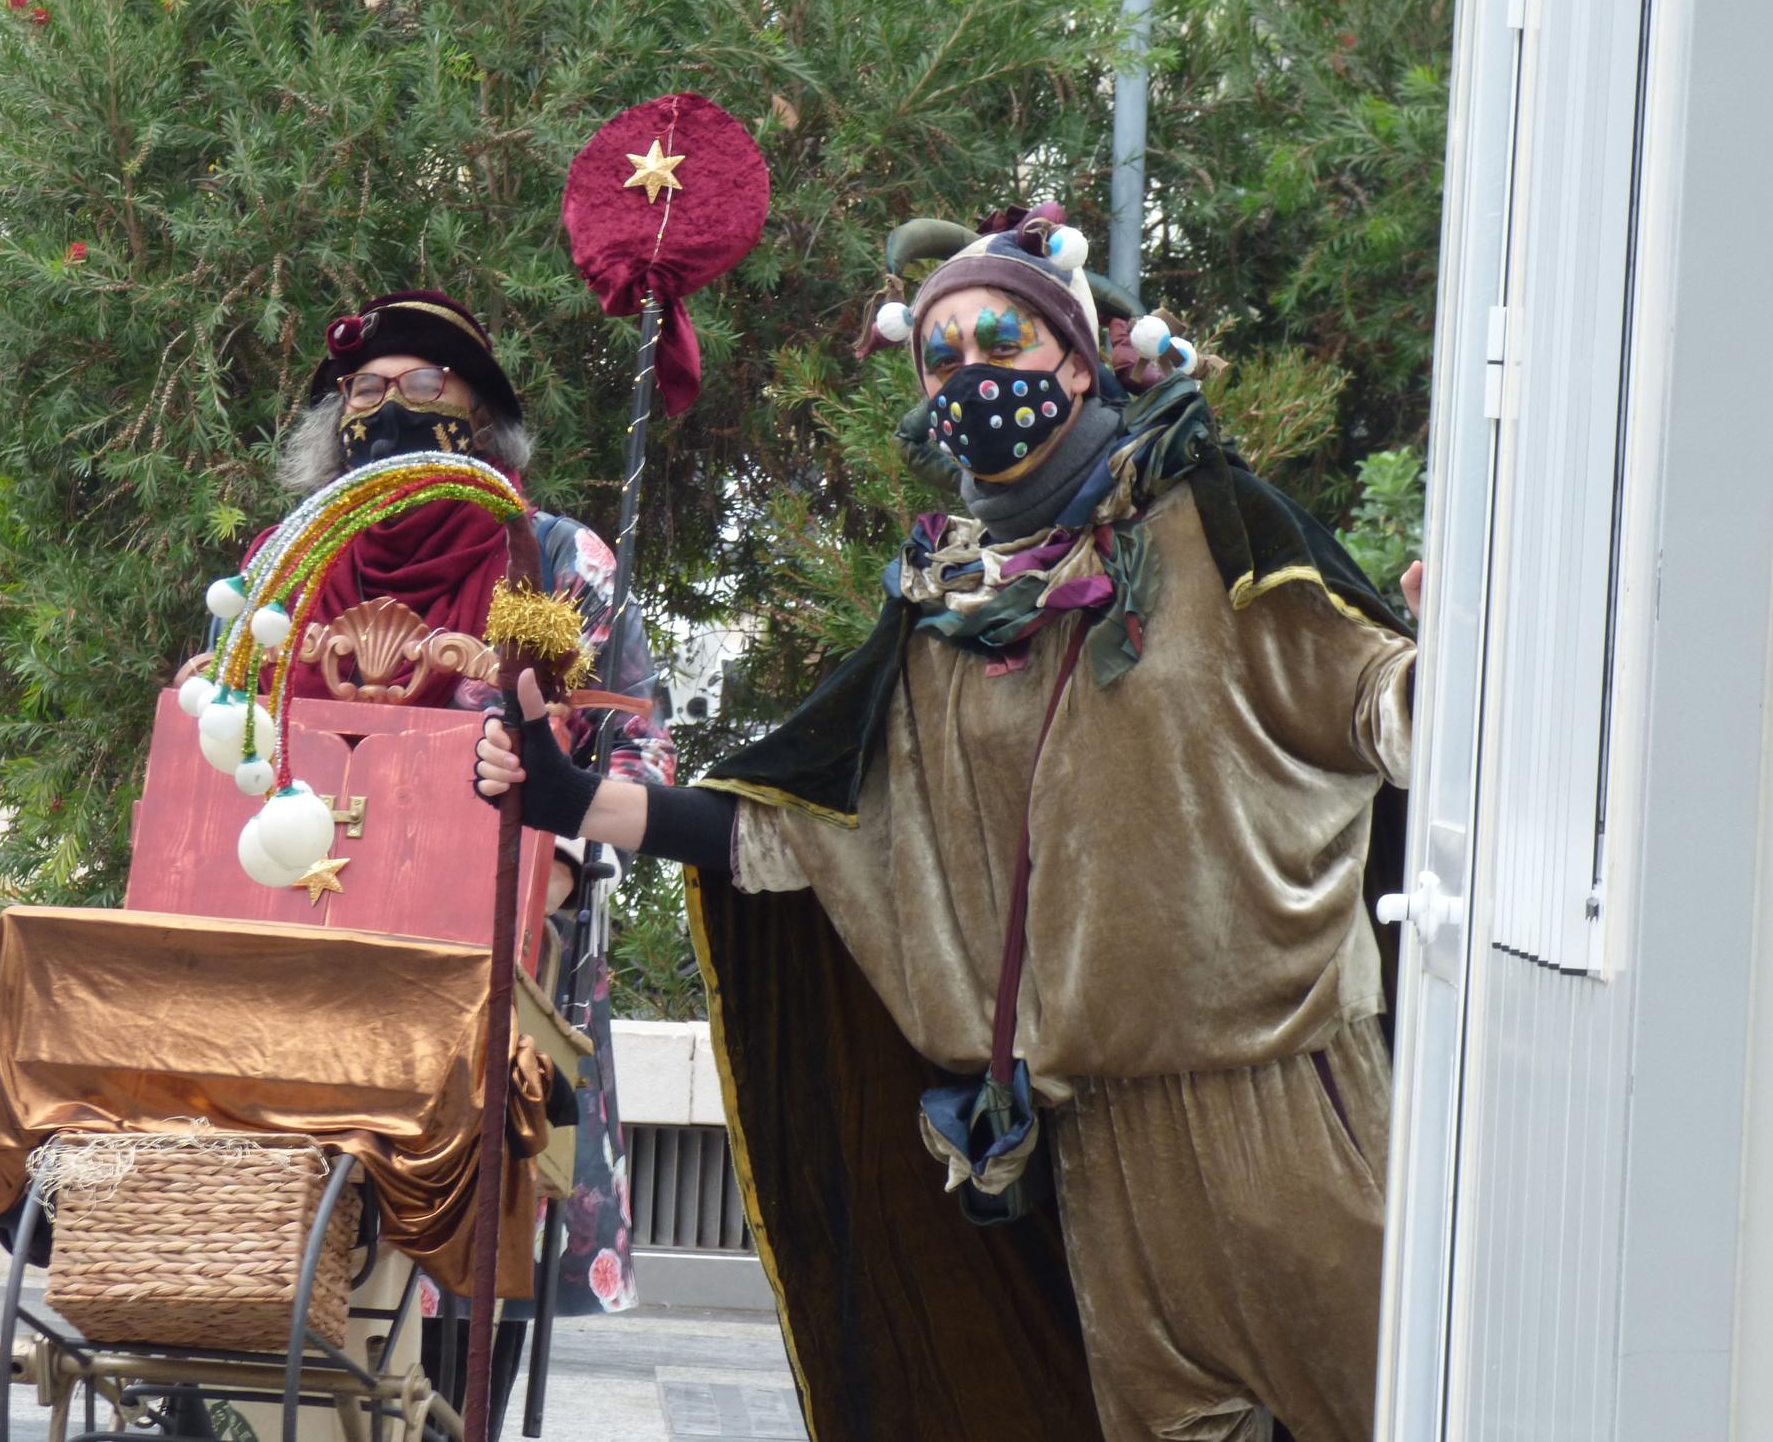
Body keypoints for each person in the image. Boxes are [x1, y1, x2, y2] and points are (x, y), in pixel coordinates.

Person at [475, 209, 1416, 1442]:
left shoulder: (1216, 530)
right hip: (1094, 1146)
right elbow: (806, 827)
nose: (973, 377)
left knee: (1395, 1412)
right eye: (940, 359)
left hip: (1280, 1106)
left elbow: (1379, 703)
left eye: (1001, 341)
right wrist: (566, 796)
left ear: (1077, 360)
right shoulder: (944, 610)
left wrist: (1474, 659)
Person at [272, 289, 673, 1428]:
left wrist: (561, 831)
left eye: (422, 388)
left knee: (449, 1355)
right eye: (362, 392)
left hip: (489, 993)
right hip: (293, 989)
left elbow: (640, 759)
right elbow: (222, 729)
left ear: (481, 418)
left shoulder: (554, 563)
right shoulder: (281, 564)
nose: (387, 410)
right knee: (275, 1326)